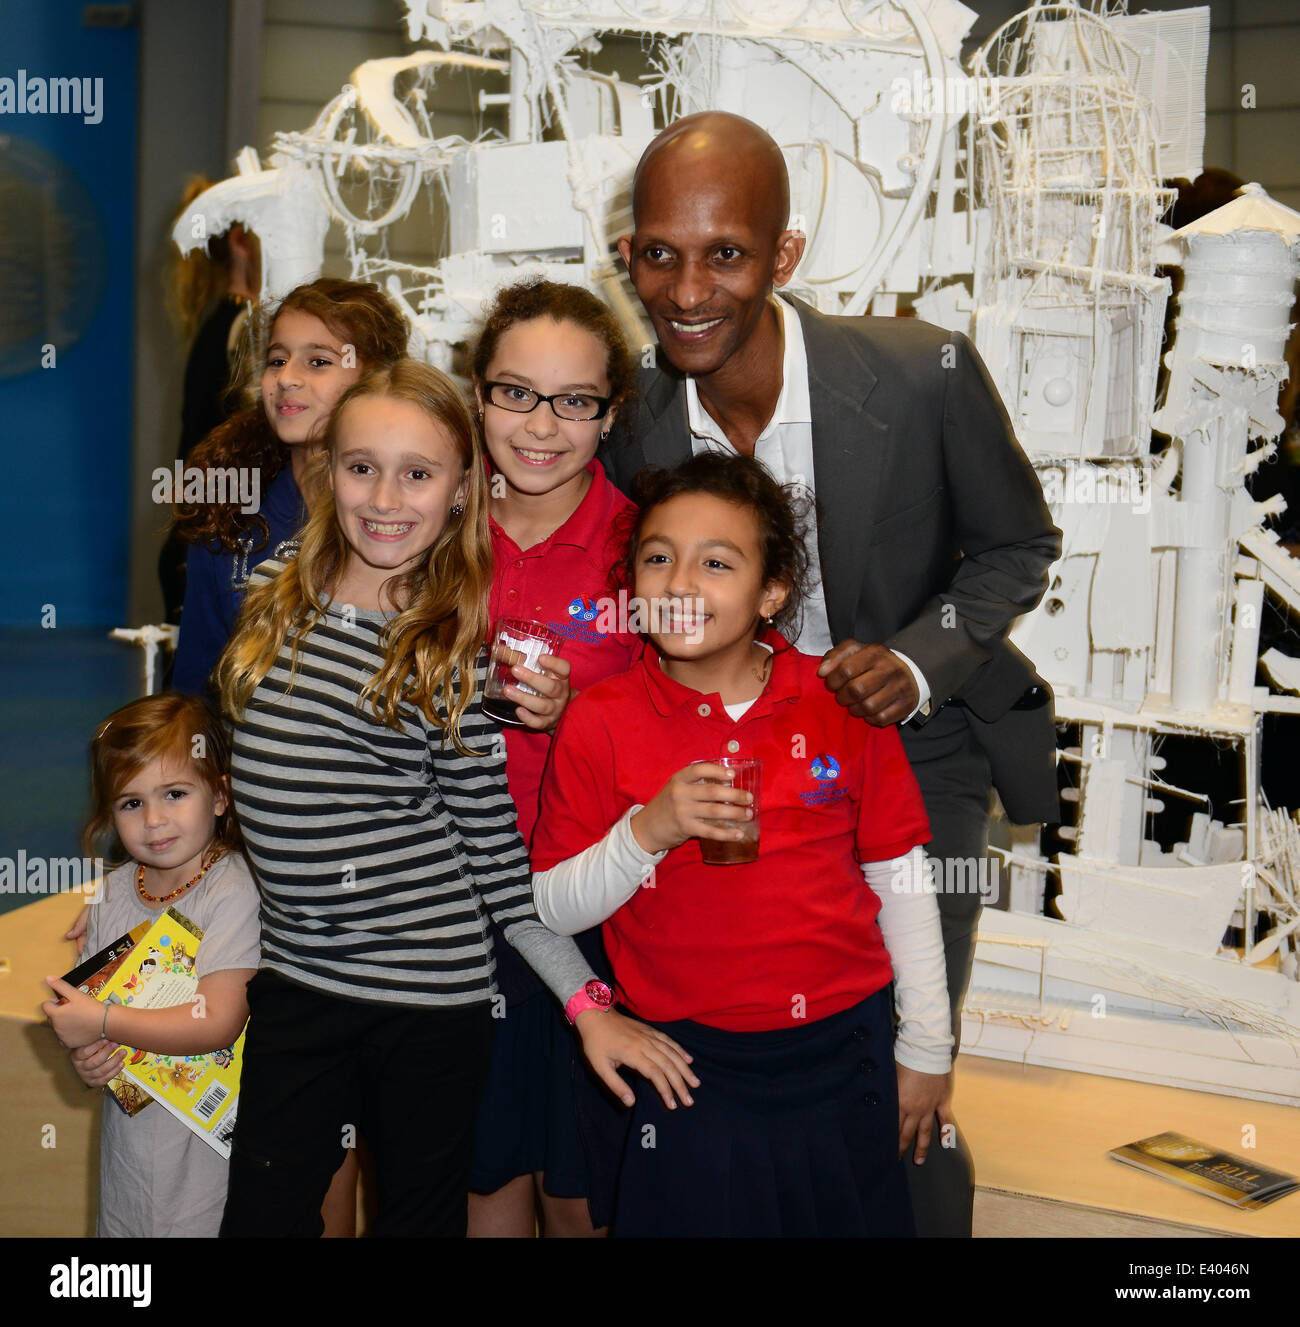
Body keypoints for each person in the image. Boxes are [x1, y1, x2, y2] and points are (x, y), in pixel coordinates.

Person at [600, 111, 1061, 1237]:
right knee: (750, 1067)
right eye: (658, 252)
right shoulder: (637, 427)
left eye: (726, 254)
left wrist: (915, 657)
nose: (687, 287)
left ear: (785, 257)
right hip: (733, 782)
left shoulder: (919, 374)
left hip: (919, 754)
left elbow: (1017, 546)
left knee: (907, 1059)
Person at [214, 359, 696, 1237]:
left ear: (463, 490)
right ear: (328, 471)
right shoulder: (276, 593)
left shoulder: (455, 661)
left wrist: (589, 1008)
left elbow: (499, 875)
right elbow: (254, 799)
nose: (386, 497)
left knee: (419, 1222)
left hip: (428, 1004)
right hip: (294, 984)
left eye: (419, 472)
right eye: (363, 466)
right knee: (261, 1216)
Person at [531, 450, 952, 1236]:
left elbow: (899, 873)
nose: (680, 582)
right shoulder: (599, 718)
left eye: (716, 562)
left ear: (772, 591)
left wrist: (927, 1043)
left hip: (843, 1046)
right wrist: (648, 830)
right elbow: (553, 904)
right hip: (685, 1065)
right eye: (658, 557)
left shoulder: (839, 701)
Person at [466, 278, 640, 1238]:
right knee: (483, 1169)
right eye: (515, 392)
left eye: (575, 401)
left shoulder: (647, 548)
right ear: (479, 393)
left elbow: (693, 722)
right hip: (447, 902)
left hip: (592, 902)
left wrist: (588, 713)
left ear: (610, 413)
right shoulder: (430, 524)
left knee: (582, 1188)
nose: (541, 425)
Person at [42, 694, 259, 1238]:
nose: (155, 820)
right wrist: (89, 1059)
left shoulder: (230, 889)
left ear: (220, 795)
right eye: (131, 803)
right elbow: (99, 1013)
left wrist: (102, 1024)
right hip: (129, 1150)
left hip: (209, 1156)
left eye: (175, 794)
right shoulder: (112, 892)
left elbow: (218, 1020)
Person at [170, 277, 408, 694]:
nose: (286, 378)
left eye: (318, 362)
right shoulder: (229, 514)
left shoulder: (407, 514)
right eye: (277, 360)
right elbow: (196, 685)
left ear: (376, 378)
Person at [157, 177, 261, 625]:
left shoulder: (222, 320)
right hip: (218, 548)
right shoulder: (247, 329)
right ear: (241, 240)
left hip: (202, 537)